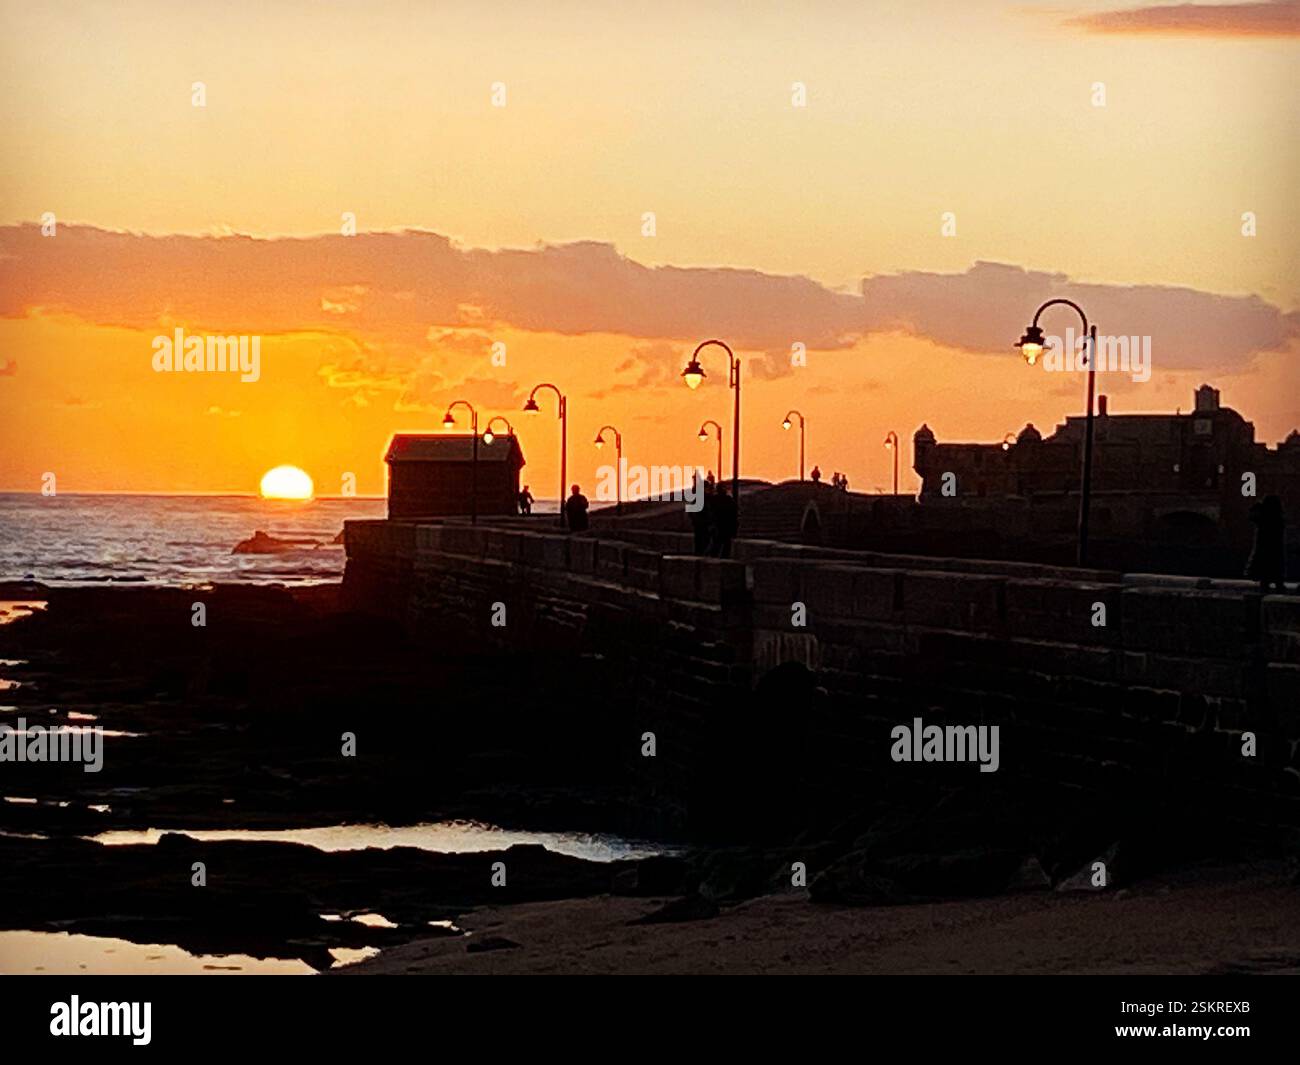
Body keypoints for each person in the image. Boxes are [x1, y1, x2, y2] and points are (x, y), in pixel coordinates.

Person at [1245, 495, 1285, 592]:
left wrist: (1258, 505)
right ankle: (1278, 586)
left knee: (1265, 575)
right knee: (1275, 571)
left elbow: (1251, 515)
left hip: (1264, 549)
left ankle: (1267, 587)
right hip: (1275, 550)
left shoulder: (1263, 518)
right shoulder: (1278, 518)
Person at [711, 483, 738, 558]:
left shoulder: (714, 499)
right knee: (725, 547)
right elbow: (734, 515)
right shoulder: (729, 500)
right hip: (726, 527)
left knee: (716, 546)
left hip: (718, 526)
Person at [690, 475, 714, 555]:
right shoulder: (705, 498)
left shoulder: (698, 498)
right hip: (703, 525)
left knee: (699, 544)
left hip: (699, 525)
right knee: (704, 544)